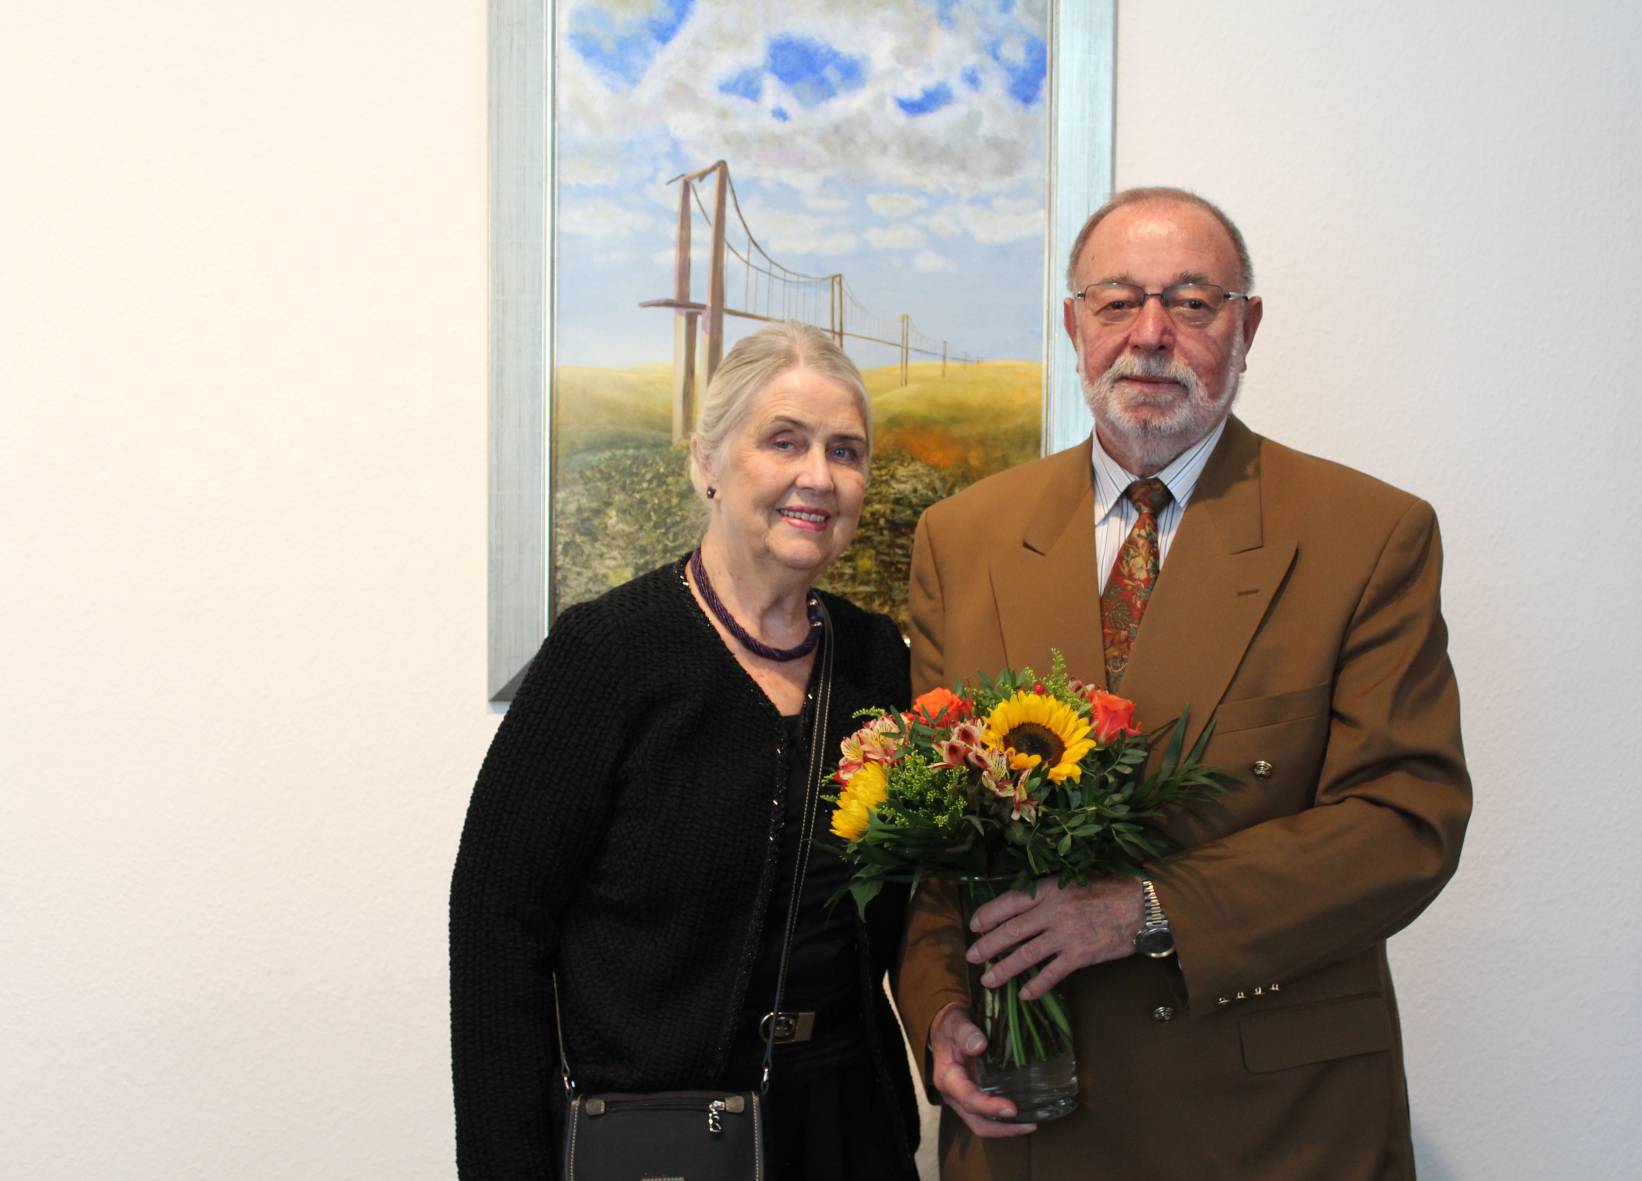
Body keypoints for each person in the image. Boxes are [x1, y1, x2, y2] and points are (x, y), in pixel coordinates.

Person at [896, 188, 1471, 1179]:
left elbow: (1401, 821)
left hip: (1274, 1124)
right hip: (1032, 1118)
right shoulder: (963, 537)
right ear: (1073, 324)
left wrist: (1143, 906)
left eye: (1192, 304)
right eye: (1116, 302)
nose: (1149, 335)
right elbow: (933, 835)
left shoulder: (1366, 534)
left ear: (1245, 327)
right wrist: (940, 1006)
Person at [449, 321, 920, 1180]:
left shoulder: (878, 659)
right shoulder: (607, 656)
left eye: (846, 450)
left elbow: (905, 907)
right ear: (707, 460)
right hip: (656, 1139)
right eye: (785, 440)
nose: (819, 475)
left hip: (848, 1126)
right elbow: (496, 928)